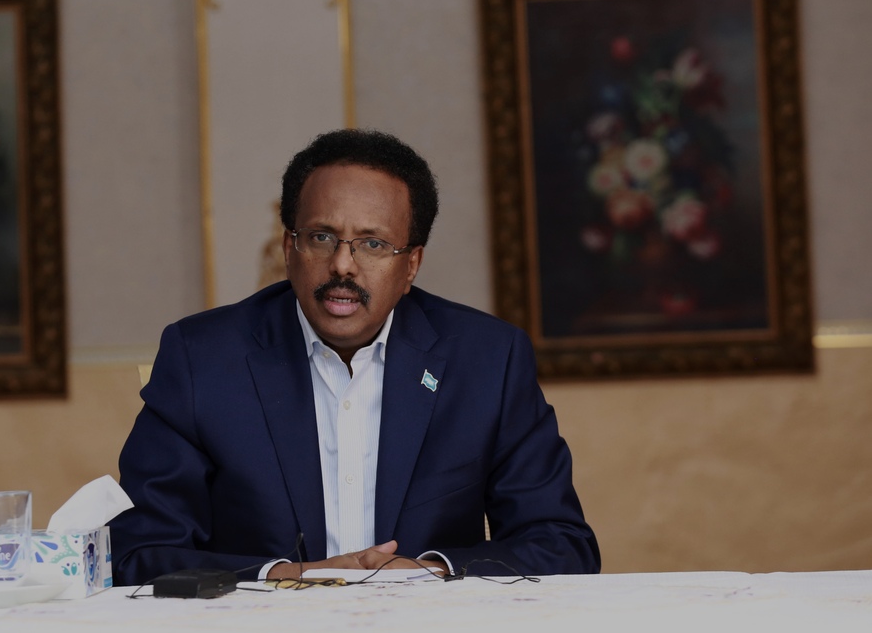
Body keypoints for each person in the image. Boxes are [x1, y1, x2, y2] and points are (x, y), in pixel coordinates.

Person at [110, 129, 599, 585]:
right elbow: (139, 552)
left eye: (373, 244)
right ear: (289, 247)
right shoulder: (202, 359)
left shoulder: (488, 361)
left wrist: (428, 573)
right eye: (321, 237)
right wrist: (289, 576)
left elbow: (562, 544)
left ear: (411, 265)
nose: (343, 265)